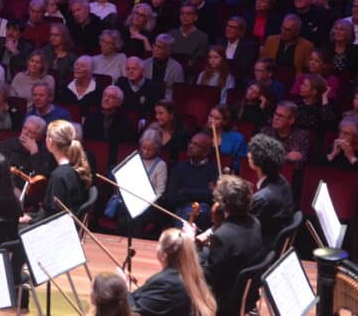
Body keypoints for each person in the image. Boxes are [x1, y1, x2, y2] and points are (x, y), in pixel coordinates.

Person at [197, 175, 266, 316]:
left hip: (225, 302)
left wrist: (196, 248)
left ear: (223, 204)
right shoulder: (255, 223)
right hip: (248, 297)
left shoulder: (222, 236)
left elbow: (206, 277)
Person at [126, 227, 217, 316]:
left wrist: (124, 289)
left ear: (164, 255)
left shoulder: (166, 283)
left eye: (159, 243)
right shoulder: (194, 274)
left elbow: (134, 312)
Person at [21, 120, 91, 223]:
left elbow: (53, 218)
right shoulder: (75, 166)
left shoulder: (58, 176)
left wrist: (29, 221)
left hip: (57, 227)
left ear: (50, 141)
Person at [247, 134, 295, 249]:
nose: (248, 154)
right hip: (274, 238)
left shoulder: (261, 198)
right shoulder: (283, 182)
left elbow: (242, 229)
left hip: (262, 248)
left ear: (258, 163)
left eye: (251, 153)